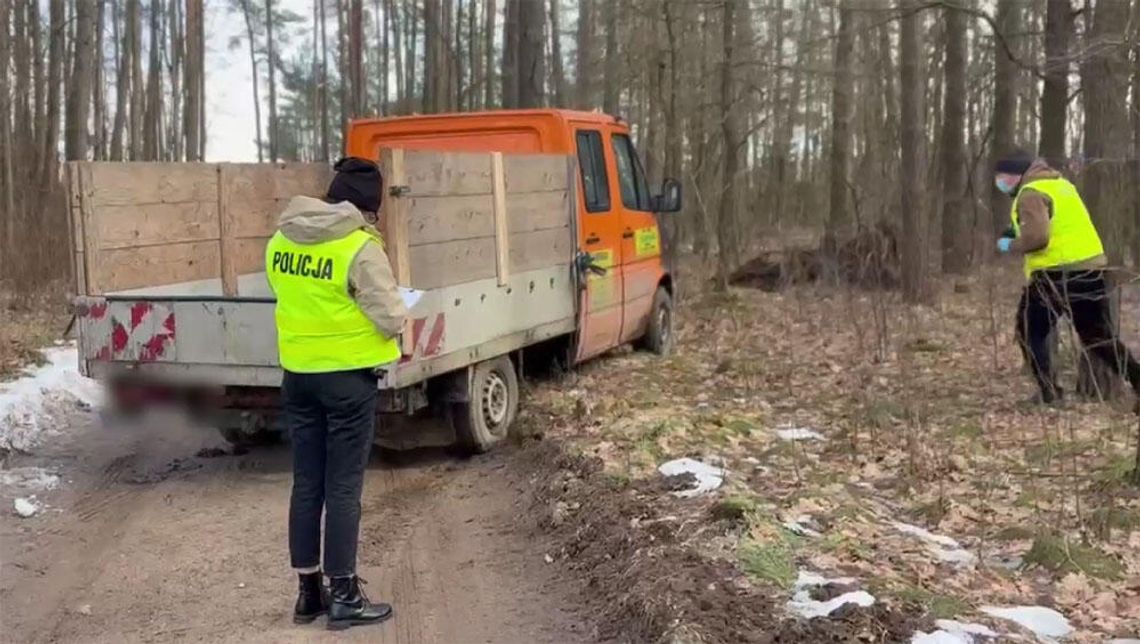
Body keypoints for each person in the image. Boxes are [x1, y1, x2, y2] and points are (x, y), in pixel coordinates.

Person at [265, 157, 408, 630]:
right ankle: (344, 594)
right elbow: (390, 315)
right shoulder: (358, 247)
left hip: (298, 376)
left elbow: (288, 294)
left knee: (308, 482)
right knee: (343, 486)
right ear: (367, 207)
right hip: (348, 381)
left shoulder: (281, 239)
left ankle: (309, 594)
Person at [995, 149, 1140, 405]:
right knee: (1099, 338)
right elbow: (1059, 223)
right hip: (1090, 271)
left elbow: (1038, 238)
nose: (1001, 182)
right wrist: (1017, 228)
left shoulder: (1030, 193)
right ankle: (1138, 381)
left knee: (1029, 331)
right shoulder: (1062, 185)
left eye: (1004, 177)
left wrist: (1010, 245)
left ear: (1018, 174)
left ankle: (1049, 392)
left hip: (1055, 276)